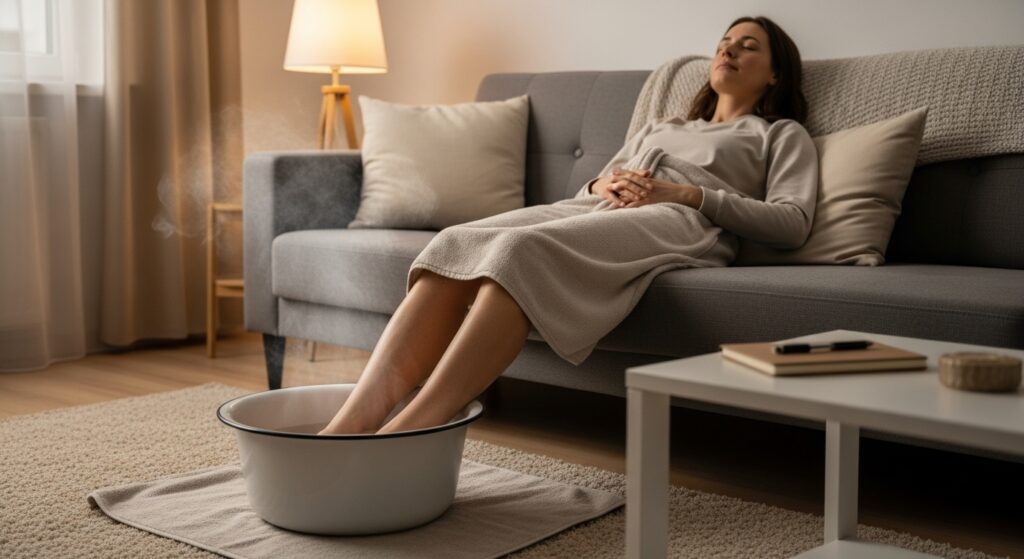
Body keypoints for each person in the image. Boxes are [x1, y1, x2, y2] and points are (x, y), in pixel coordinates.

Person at [318, 15, 817, 436]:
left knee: (520, 252)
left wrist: (686, 193)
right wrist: (603, 186)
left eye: (747, 47)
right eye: (723, 44)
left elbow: (792, 223)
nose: (727, 52)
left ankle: (413, 430)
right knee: (456, 242)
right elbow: (591, 187)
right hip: (600, 209)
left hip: (680, 220)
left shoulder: (778, 134)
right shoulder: (661, 126)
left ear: (774, 74)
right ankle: (348, 426)